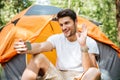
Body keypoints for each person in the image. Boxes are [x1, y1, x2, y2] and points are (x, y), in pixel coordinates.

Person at [14, 9, 101, 80]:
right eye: (61, 25)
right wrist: (26, 47)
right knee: (38, 57)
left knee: (94, 72)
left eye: (67, 23)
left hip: (78, 77)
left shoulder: (89, 42)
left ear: (75, 21)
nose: (64, 28)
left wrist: (83, 45)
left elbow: (89, 70)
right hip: (59, 75)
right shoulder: (57, 38)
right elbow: (40, 46)